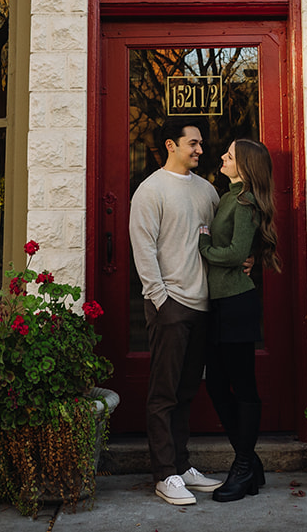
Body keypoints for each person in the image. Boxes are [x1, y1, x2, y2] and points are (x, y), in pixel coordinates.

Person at [129, 118, 224, 506]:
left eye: (201, 144)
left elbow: (220, 240)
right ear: (171, 145)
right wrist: (160, 299)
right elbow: (143, 247)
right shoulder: (150, 190)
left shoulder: (207, 191)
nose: (200, 150)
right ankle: (164, 474)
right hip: (170, 305)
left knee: (186, 391)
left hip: (203, 305)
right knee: (164, 393)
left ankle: (182, 467)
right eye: (193, 143)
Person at [197, 138, 282, 502]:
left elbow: (235, 252)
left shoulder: (245, 203)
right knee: (216, 384)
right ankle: (250, 462)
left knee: (243, 386)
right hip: (219, 304)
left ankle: (243, 466)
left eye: (230, 156)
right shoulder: (228, 197)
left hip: (237, 305)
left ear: (245, 167)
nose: (222, 157)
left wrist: (204, 247)